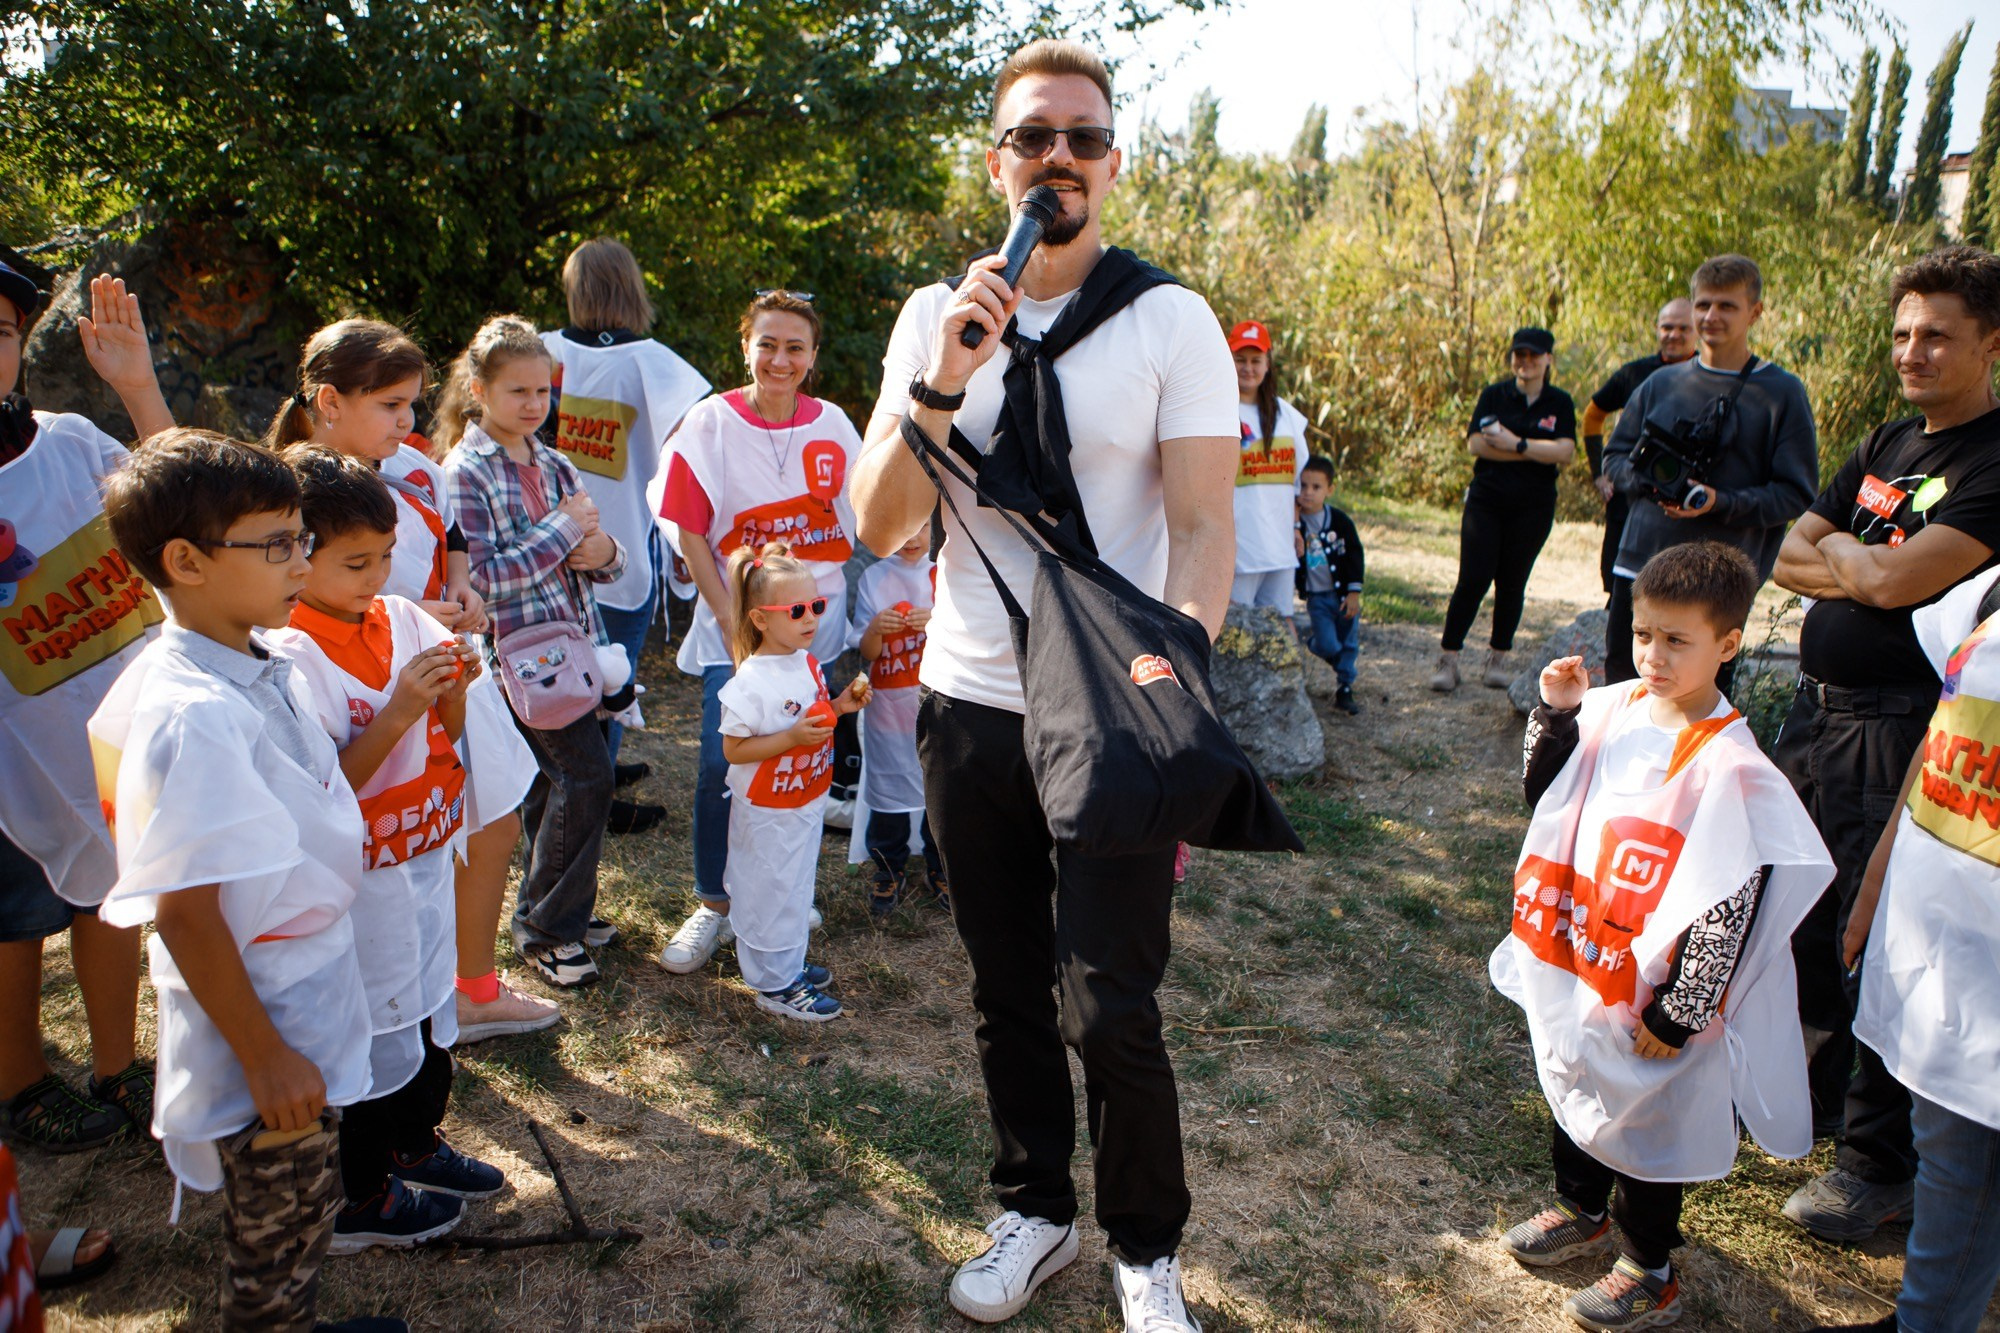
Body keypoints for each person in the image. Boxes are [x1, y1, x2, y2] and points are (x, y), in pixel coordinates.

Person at [852, 38, 1239, 1331]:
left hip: (1115, 710)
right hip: (970, 706)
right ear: (996, 161)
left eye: (1080, 138)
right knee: (1005, 986)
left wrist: (1175, 689)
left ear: (1111, 164)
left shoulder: (1170, 318)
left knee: (1110, 1000)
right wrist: (952, 376)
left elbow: (1199, 527)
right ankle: (1035, 1208)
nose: (1055, 159)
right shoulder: (935, 315)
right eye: (1033, 138)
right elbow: (884, 525)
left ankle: (1144, 1244)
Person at [89, 429, 394, 1333]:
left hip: (304, 977)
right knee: (279, 1213)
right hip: (260, 1007)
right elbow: (184, 914)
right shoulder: (192, 713)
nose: (301, 560)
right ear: (185, 561)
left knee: (310, 1193)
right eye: (278, 545)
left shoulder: (259, 652)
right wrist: (263, 1052)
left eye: (301, 538)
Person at [1492, 541, 1831, 1333]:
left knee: (1648, 1123)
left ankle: (1650, 1263)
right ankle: (1580, 1208)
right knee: (1574, 1077)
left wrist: (1680, 1009)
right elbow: (1544, 799)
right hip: (1587, 955)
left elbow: (1730, 900)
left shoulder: (1731, 765)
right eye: (1644, 634)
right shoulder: (1612, 708)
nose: (1653, 654)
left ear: (1729, 644)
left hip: (1659, 989)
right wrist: (1559, 714)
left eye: (1677, 640)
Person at [1769, 244, 2000, 1244]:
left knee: (1882, 943)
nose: (1911, 351)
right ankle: (1813, 1103)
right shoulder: (1885, 438)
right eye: (1902, 332)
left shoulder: (1995, 459)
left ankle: (1877, 1165)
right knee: (1798, 911)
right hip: (1819, 716)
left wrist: (1860, 564)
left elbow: (1901, 586)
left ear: (1990, 343)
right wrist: (1860, 564)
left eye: (1936, 334)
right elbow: (1785, 550)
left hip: (1908, 735)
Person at [265, 319, 557, 1044]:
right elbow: (299, 599)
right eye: (391, 405)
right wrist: (418, 615)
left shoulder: (417, 466)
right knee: (394, 842)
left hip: (442, 667)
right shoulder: (291, 488)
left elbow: (449, 538)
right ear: (329, 402)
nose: (408, 420)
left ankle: (466, 987)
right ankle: (400, 1001)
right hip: (374, 688)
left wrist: (462, 595)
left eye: (412, 404)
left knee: (488, 821)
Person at [268, 449, 504, 1253]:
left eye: (386, 554)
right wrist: (402, 707)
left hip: (424, 854)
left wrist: (456, 692)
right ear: (297, 556)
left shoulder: (402, 618)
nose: (377, 576)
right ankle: (359, 1192)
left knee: (430, 1008)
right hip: (360, 878)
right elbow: (327, 783)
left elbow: (454, 739)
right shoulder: (291, 657)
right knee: (368, 1028)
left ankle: (416, 1140)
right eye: (354, 562)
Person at [1804, 559, 2000, 1333]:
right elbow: (1942, 731)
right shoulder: (1987, 593)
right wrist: (1881, 876)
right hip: (1946, 936)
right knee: (1949, 1148)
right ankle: (1932, 1311)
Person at [0, 262, 170, 1152]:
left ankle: (117, 1064)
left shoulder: (67, 442)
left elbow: (183, 495)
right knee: (15, 916)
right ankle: (21, 1083)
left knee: (110, 890)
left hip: (111, 735)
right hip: (11, 759)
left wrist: (139, 390)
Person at [654, 290, 859, 976]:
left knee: (796, 762)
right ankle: (714, 902)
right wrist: (727, 616)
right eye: (767, 343)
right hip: (734, 630)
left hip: (809, 630)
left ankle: (778, 894)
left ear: (813, 357)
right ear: (745, 345)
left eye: (795, 347)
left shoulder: (832, 423)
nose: (780, 358)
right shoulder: (709, 422)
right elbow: (687, 525)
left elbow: (862, 516)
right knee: (725, 762)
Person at [442, 317, 624, 990]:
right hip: (514, 661)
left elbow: (598, 556)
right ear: (477, 389)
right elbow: (482, 577)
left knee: (556, 783)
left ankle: (559, 904)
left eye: (543, 391)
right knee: (585, 777)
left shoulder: (553, 462)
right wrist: (563, 531)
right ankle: (548, 929)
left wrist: (602, 551)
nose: (532, 404)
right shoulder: (464, 472)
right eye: (516, 390)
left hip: (574, 650)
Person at [541, 237, 711, 831]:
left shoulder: (540, 354)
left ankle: (575, 783)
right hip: (623, 552)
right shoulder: (656, 364)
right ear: (631, 289)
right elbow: (694, 452)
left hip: (541, 553)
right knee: (612, 678)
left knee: (551, 675)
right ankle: (594, 798)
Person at [1603, 255, 1818, 688]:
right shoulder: (1660, 384)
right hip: (1640, 565)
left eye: (1726, 306)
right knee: (1624, 692)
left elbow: (1796, 493)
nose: (1711, 317)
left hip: (1717, 581)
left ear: (1755, 312)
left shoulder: (1782, 393)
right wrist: (1650, 483)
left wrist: (1721, 503)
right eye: (1703, 305)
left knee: (1696, 709)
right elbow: (1614, 460)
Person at [715, 542, 869, 1019]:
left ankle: (786, 962)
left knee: (794, 886)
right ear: (761, 619)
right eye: (797, 610)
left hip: (803, 799)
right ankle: (773, 984)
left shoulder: (805, 662)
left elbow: (813, 715)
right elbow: (733, 749)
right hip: (767, 809)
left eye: (816, 607)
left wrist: (840, 707)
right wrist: (790, 738)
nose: (811, 619)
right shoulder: (751, 683)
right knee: (769, 888)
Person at [1432, 327, 1576, 693]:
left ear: (1547, 359)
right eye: (1519, 355)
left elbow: (1565, 453)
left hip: (1534, 506)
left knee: (1513, 581)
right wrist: (1533, 450)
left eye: (1533, 355)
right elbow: (1477, 445)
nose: (1525, 362)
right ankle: (1448, 659)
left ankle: (1497, 658)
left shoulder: (1559, 402)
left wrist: (1515, 442)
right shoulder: (1494, 395)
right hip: (1487, 500)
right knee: (1474, 577)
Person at [845, 527, 943, 915]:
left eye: (918, 527)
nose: (910, 538)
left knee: (936, 786)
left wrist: (933, 622)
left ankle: (941, 867)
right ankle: (888, 868)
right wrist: (875, 630)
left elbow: (961, 637)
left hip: (932, 705)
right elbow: (866, 651)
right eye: (898, 529)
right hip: (888, 707)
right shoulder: (874, 577)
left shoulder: (944, 573)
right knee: (889, 789)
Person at [1582, 299, 1697, 597]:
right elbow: (1593, 416)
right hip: (1631, 490)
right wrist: (1600, 473)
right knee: (1618, 578)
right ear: (1657, 330)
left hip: (1684, 497)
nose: (1674, 334)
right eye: (1667, 327)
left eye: (1683, 328)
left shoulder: (1710, 376)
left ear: (1697, 329)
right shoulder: (1633, 374)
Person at [1226, 319, 1308, 611]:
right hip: (1239, 553)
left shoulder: (1288, 418)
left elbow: (1298, 482)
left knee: (1283, 629)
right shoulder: (1215, 410)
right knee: (1236, 634)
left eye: (1255, 360)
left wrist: (1297, 528)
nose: (1248, 367)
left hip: (1280, 551)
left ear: (1268, 362)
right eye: (1240, 359)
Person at [1294, 455, 1364, 715]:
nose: (1308, 493)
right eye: (1303, 486)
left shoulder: (1340, 522)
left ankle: (1345, 688)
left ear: (1329, 490)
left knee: (1348, 642)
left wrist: (1354, 592)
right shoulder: (1294, 523)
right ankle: (1317, 647)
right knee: (1329, 644)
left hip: (1343, 595)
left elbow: (1355, 556)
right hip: (1317, 598)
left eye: (1316, 487)